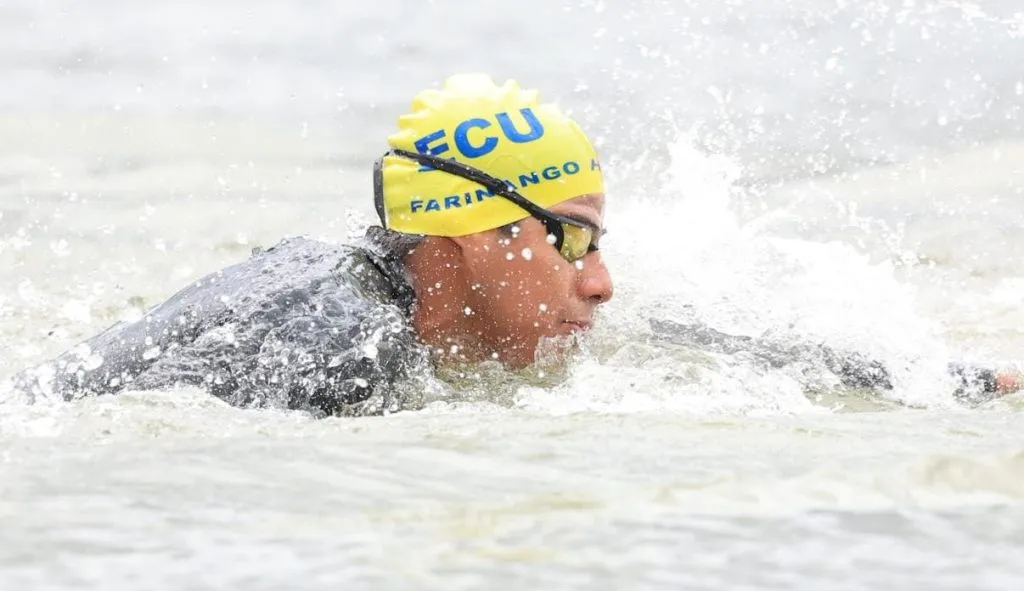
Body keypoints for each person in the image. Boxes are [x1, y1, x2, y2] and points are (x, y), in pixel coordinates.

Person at [1, 74, 1019, 415]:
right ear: (470, 235)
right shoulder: (324, 346)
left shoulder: (425, 300)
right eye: (572, 239)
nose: (603, 282)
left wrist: (971, 383)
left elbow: (729, 351)